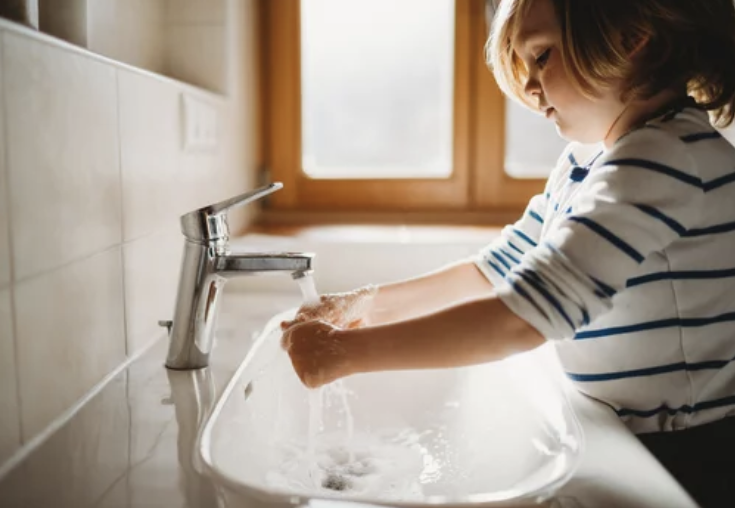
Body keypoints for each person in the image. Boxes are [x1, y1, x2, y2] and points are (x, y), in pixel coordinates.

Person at [281, 0, 735, 504]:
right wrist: (364, 305)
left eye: (542, 56)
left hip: (690, 459)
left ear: (630, 40)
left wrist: (347, 354)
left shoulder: (665, 157)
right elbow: (494, 269)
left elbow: (524, 319)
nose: (529, 85)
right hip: (630, 437)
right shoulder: (591, 160)